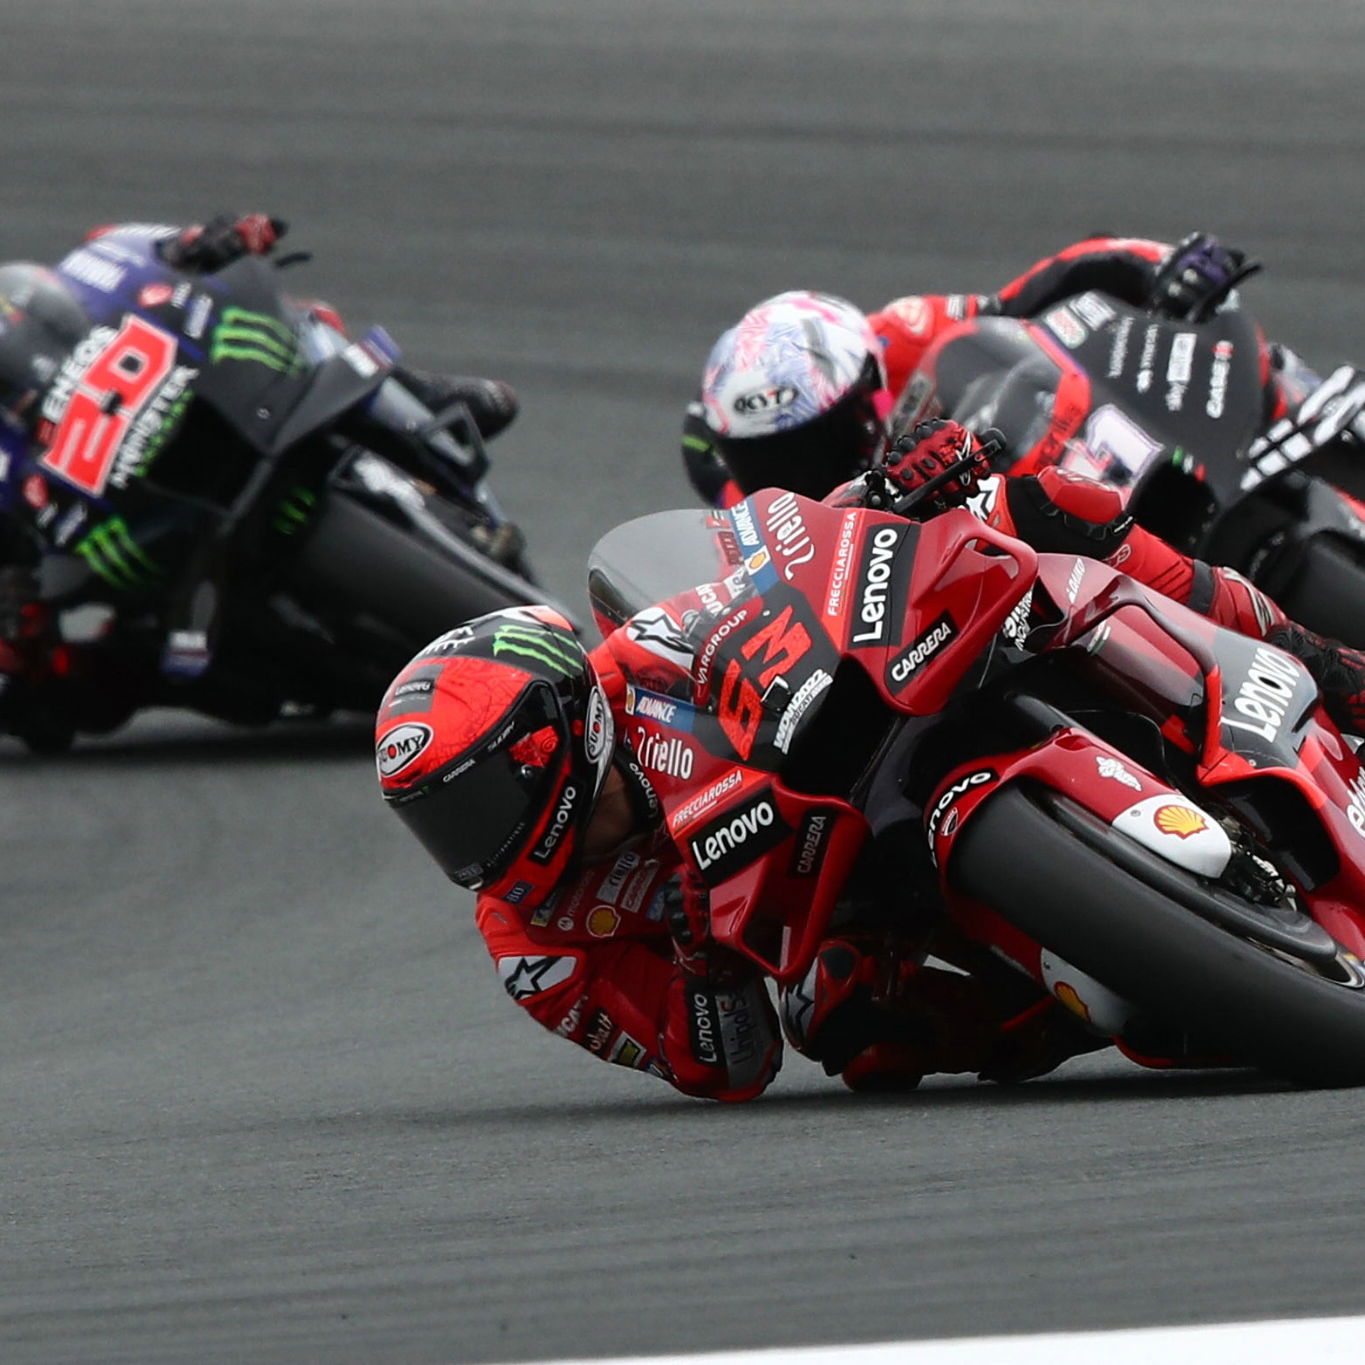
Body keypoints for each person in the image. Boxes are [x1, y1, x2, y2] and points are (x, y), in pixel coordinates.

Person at [375, 418, 1365, 1101]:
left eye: (477, 799)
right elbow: (725, 1066)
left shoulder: (638, 663)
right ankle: (1115, 993)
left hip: (875, 713)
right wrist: (698, 958)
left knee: (1039, 514)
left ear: (556, 730)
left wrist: (887, 492)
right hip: (850, 897)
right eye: (440, 825)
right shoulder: (536, 948)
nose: (475, 844)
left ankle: (1319, 665)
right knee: (845, 1016)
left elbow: (766, 570)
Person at [0, 213, 520, 748]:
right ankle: (312, 671)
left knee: (311, 324)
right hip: (154, 536)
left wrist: (223, 237)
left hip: (228, 406)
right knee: (71, 692)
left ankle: (428, 399)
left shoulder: (99, 263)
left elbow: (177, 246)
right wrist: (19, 627)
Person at [680, 232, 1316, 507]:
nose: (799, 469)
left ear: (864, 380)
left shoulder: (893, 333)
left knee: (1255, 366)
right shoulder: (753, 513)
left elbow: (1042, 289)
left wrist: (1163, 267)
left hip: (1060, 455)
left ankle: (1314, 424)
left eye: (815, 437)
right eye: (770, 458)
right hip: (1002, 579)